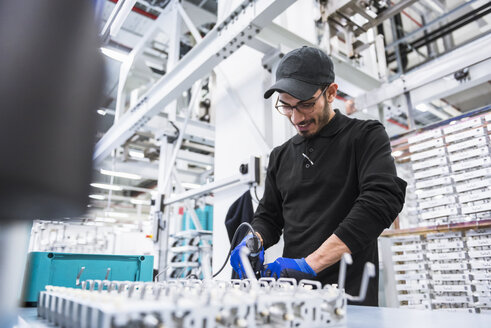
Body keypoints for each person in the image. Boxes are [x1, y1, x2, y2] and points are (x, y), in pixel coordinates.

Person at [230, 46, 407, 306]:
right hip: (292, 298)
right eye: (287, 106)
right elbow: (269, 216)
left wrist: (309, 264)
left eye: (306, 105)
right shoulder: (280, 156)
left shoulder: (364, 136)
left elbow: (381, 201)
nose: (297, 118)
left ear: (331, 92)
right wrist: (254, 240)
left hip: (348, 299)